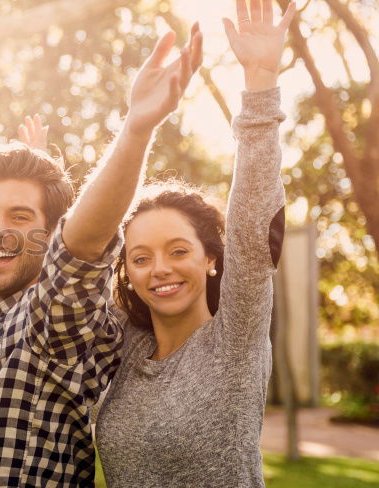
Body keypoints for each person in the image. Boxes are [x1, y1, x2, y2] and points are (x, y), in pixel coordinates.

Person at [0, 0, 202, 485]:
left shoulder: (55, 318)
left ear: (53, 232)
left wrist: (137, 129)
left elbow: (83, 241)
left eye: (21, 216)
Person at [95, 1, 295, 486]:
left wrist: (261, 82)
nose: (159, 268)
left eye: (178, 250)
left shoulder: (234, 341)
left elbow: (252, 227)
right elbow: (75, 256)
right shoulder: (124, 349)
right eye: (140, 258)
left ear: (210, 259)